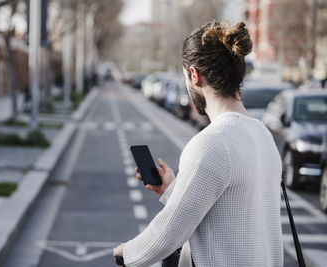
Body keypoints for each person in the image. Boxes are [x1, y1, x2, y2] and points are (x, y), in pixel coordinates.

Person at [113, 21, 283, 267]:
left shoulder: (212, 143)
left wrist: (124, 253)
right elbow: (229, 219)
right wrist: (173, 190)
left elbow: (169, 234)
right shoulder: (263, 136)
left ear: (194, 75)